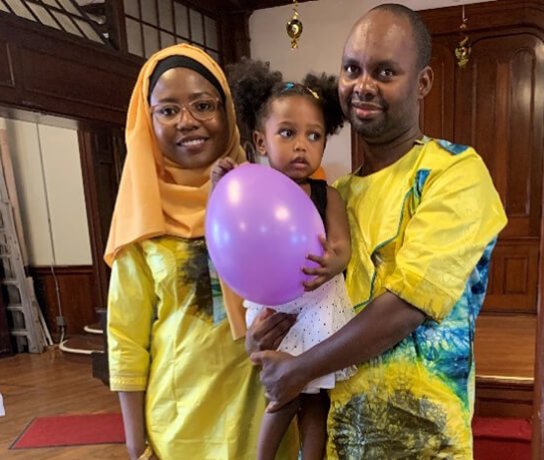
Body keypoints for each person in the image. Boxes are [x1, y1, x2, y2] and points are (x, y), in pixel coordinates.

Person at [250, 4, 508, 458]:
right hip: (340, 440)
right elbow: (301, 300)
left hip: (424, 444)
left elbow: (406, 307)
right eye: (353, 69)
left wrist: (299, 370)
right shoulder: (333, 196)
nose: (363, 85)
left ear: (421, 82)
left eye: (385, 71)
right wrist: (263, 334)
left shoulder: (453, 173)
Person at [105, 44, 296, 460]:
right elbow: (125, 338)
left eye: (203, 105)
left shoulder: (266, 197)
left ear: (227, 112)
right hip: (180, 424)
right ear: (147, 121)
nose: (187, 122)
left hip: (265, 411)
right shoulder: (141, 220)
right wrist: (136, 443)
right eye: (168, 110)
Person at [212, 59, 354, 460]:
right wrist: (220, 186)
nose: (301, 146)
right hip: (276, 306)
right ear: (260, 141)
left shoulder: (329, 194)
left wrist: (334, 262)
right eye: (288, 133)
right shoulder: (254, 188)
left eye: (314, 136)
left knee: (317, 400)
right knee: (283, 393)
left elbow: (341, 245)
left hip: (319, 304)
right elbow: (232, 231)